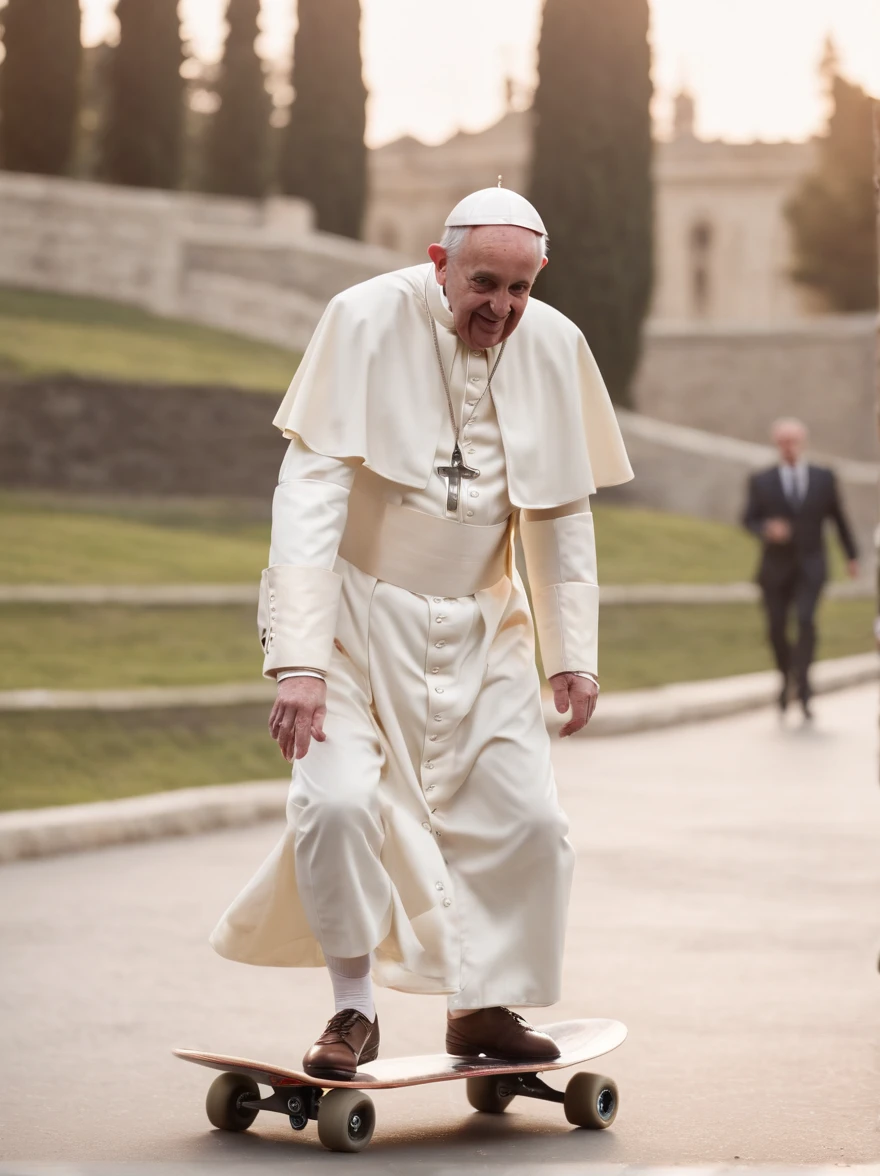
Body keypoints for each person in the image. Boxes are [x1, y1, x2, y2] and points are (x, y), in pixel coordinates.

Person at [210, 186, 633, 1079]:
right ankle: (352, 1011)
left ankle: (481, 1010)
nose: (502, 309)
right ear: (439, 264)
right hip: (355, 624)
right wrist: (298, 658)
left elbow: (561, 511)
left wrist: (574, 655)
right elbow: (312, 491)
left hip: (488, 626)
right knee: (336, 806)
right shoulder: (362, 319)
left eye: (521, 290)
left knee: (528, 822)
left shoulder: (554, 346)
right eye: (484, 283)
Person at [743, 417, 859, 720]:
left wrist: (852, 555)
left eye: (793, 440)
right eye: (783, 441)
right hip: (775, 568)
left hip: (811, 565)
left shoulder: (823, 477)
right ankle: (786, 678)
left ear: (802, 442)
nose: (788, 447)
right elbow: (748, 519)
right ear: (776, 443)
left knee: (806, 622)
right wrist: (767, 528)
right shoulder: (762, 480)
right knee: (776, 628)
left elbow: (838, 518)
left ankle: (805, 688)